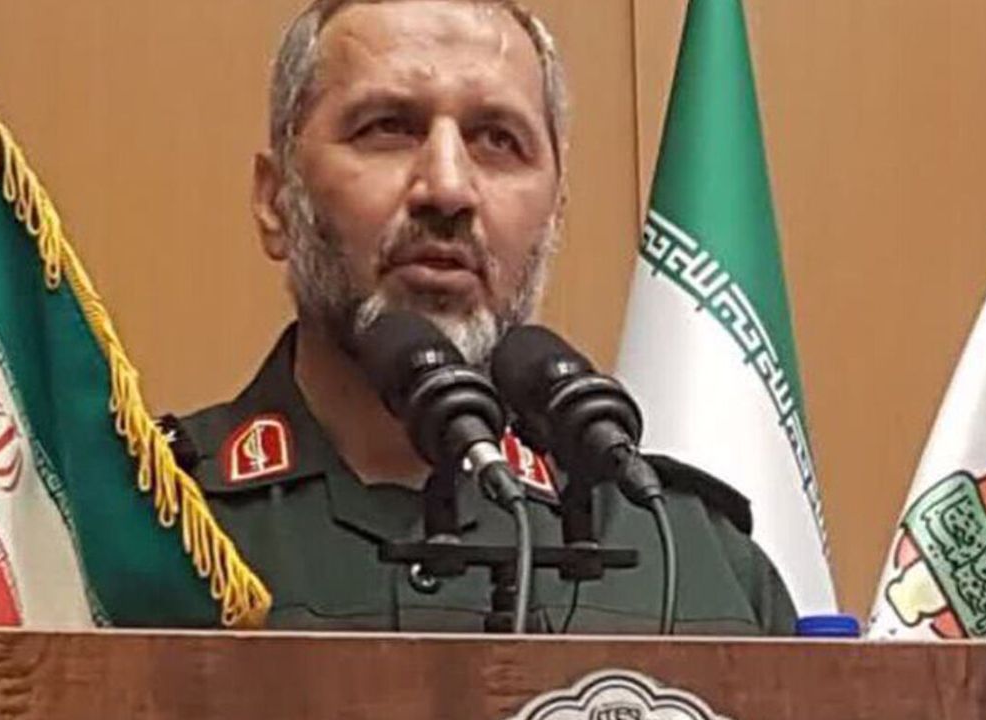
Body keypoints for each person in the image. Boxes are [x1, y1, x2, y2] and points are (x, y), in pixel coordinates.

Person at [171, 0, 798, 634]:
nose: (447, 189)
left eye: (498, 140)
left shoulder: (687, 558)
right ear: (276, 200)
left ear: (554, 213)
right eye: (388, 128)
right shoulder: (152, 528)